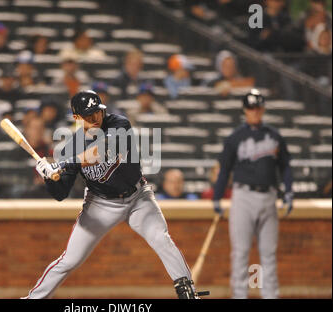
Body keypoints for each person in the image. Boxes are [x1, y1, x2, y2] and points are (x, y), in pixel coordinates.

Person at [22, 90, 207, 299]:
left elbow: (100, 152)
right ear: (77, 118)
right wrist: (48, 175)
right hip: (100, 203)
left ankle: (189, 294)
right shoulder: (70, 147)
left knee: (161, 239)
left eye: (97, 112)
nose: (95, 118)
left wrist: (63, 164)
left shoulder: (119, 124)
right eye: (88, 115)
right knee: (70, 260)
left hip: (138, 197)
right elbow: (60, 194)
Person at [212, 88, 293, 299]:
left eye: (257, 108)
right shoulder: (235, 137)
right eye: (250, 108)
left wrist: (289, 191)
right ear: (245, 111)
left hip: (269, 197)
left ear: (263, 109)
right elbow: (225, 169)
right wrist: (217, 196)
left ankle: (270, 295)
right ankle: (239, 295)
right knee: (240, 253)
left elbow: (285, 166)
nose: (254, 112)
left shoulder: (274, 136)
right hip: (243, 197)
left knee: (269, 254)